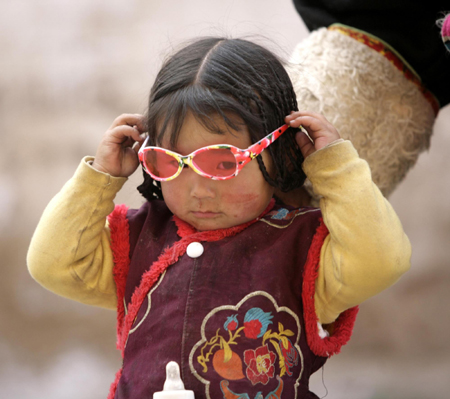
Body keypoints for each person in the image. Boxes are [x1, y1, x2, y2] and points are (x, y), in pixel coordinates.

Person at [27, 37, 411, 399]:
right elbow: (52, 264)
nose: (199, 189)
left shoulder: (303, 249)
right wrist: (100, 179)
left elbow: (382, 260)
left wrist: (334, 167)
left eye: (223, 162)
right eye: (171, 162)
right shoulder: (137, 240)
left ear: (275, 153)